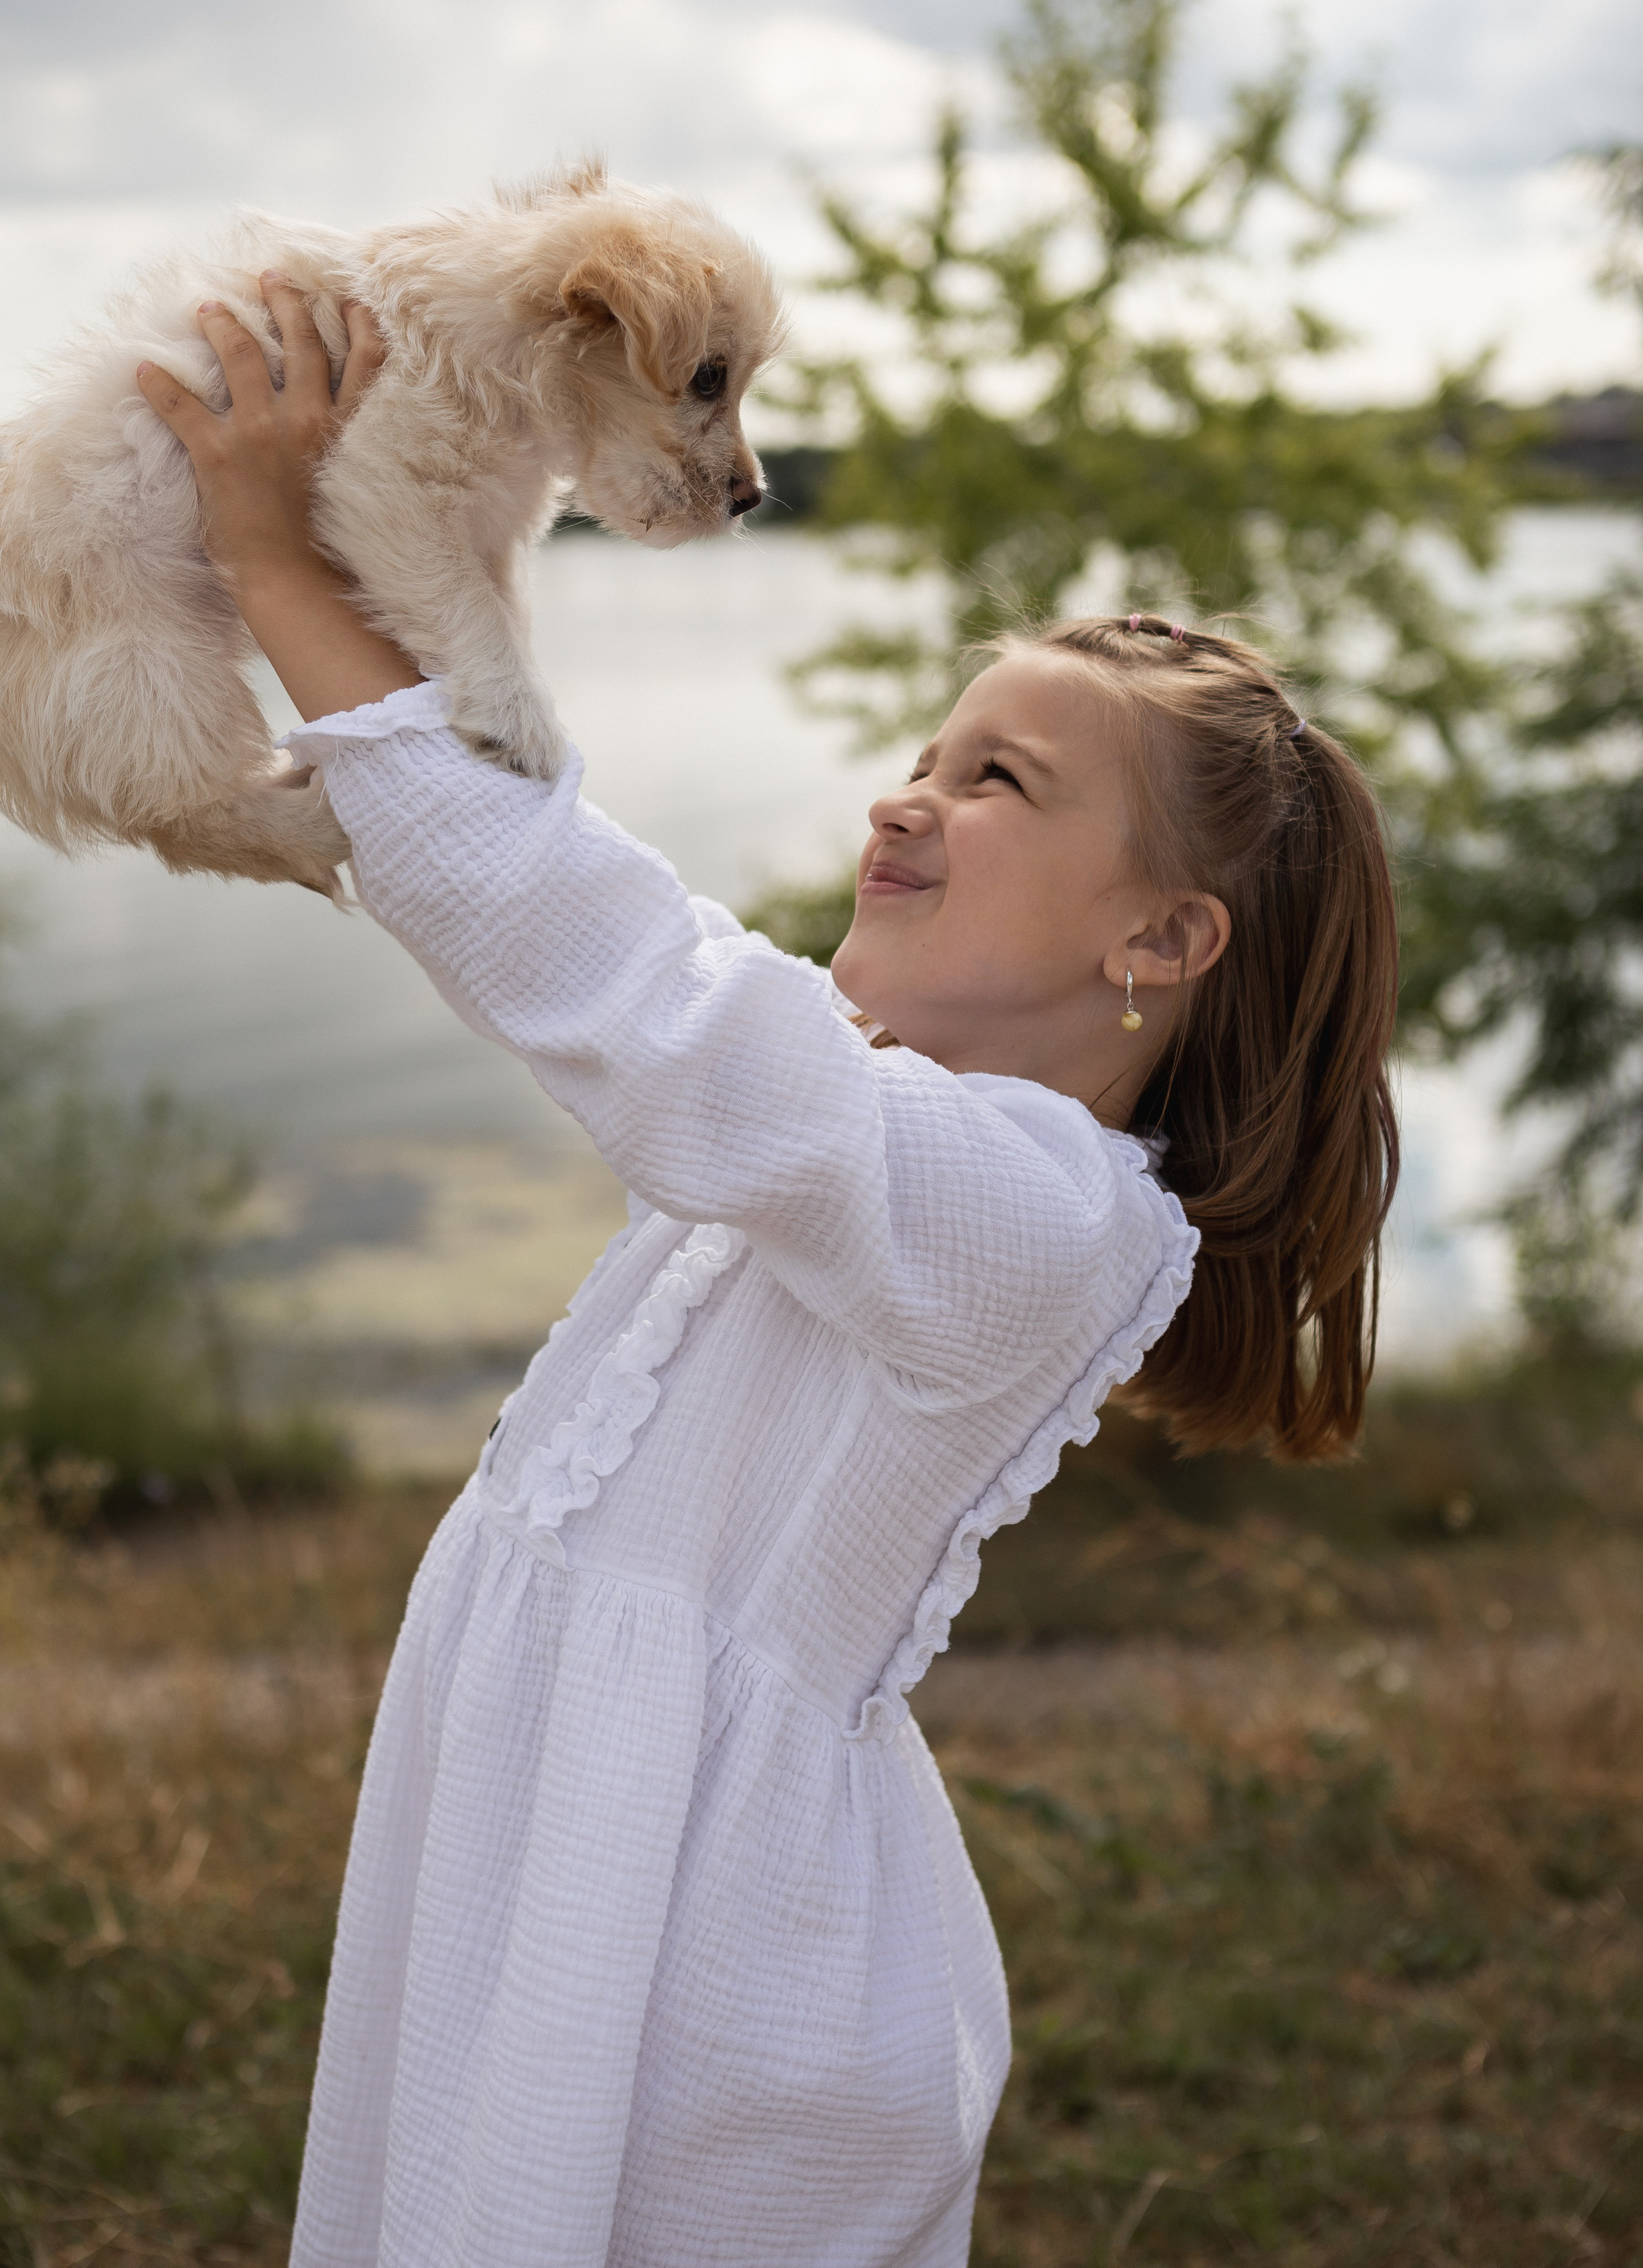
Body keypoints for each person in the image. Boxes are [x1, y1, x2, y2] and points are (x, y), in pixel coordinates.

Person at [137, 284, 1399, 2268]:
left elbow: (635, 989)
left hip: (708, 1974)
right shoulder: (857, 1125)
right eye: (929, 755)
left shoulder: (1042, 1217)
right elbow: (599, 977)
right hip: (558, 1845)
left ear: (1162, 942)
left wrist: (285, 565)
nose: (906, 798)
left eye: (999, 785)